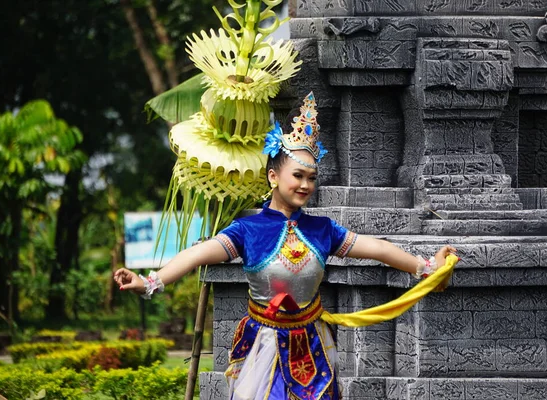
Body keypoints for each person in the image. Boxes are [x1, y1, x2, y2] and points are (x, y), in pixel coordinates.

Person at [114, 92, 457, 399]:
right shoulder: (249, 230)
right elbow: (195, 255)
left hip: (312, 344)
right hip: (262, 347)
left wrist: (426, 267)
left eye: (311, 177)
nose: (306, 184)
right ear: (274, 177)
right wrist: (149, 282)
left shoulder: (323, 230)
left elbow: (378, 249)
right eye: (297, 175)